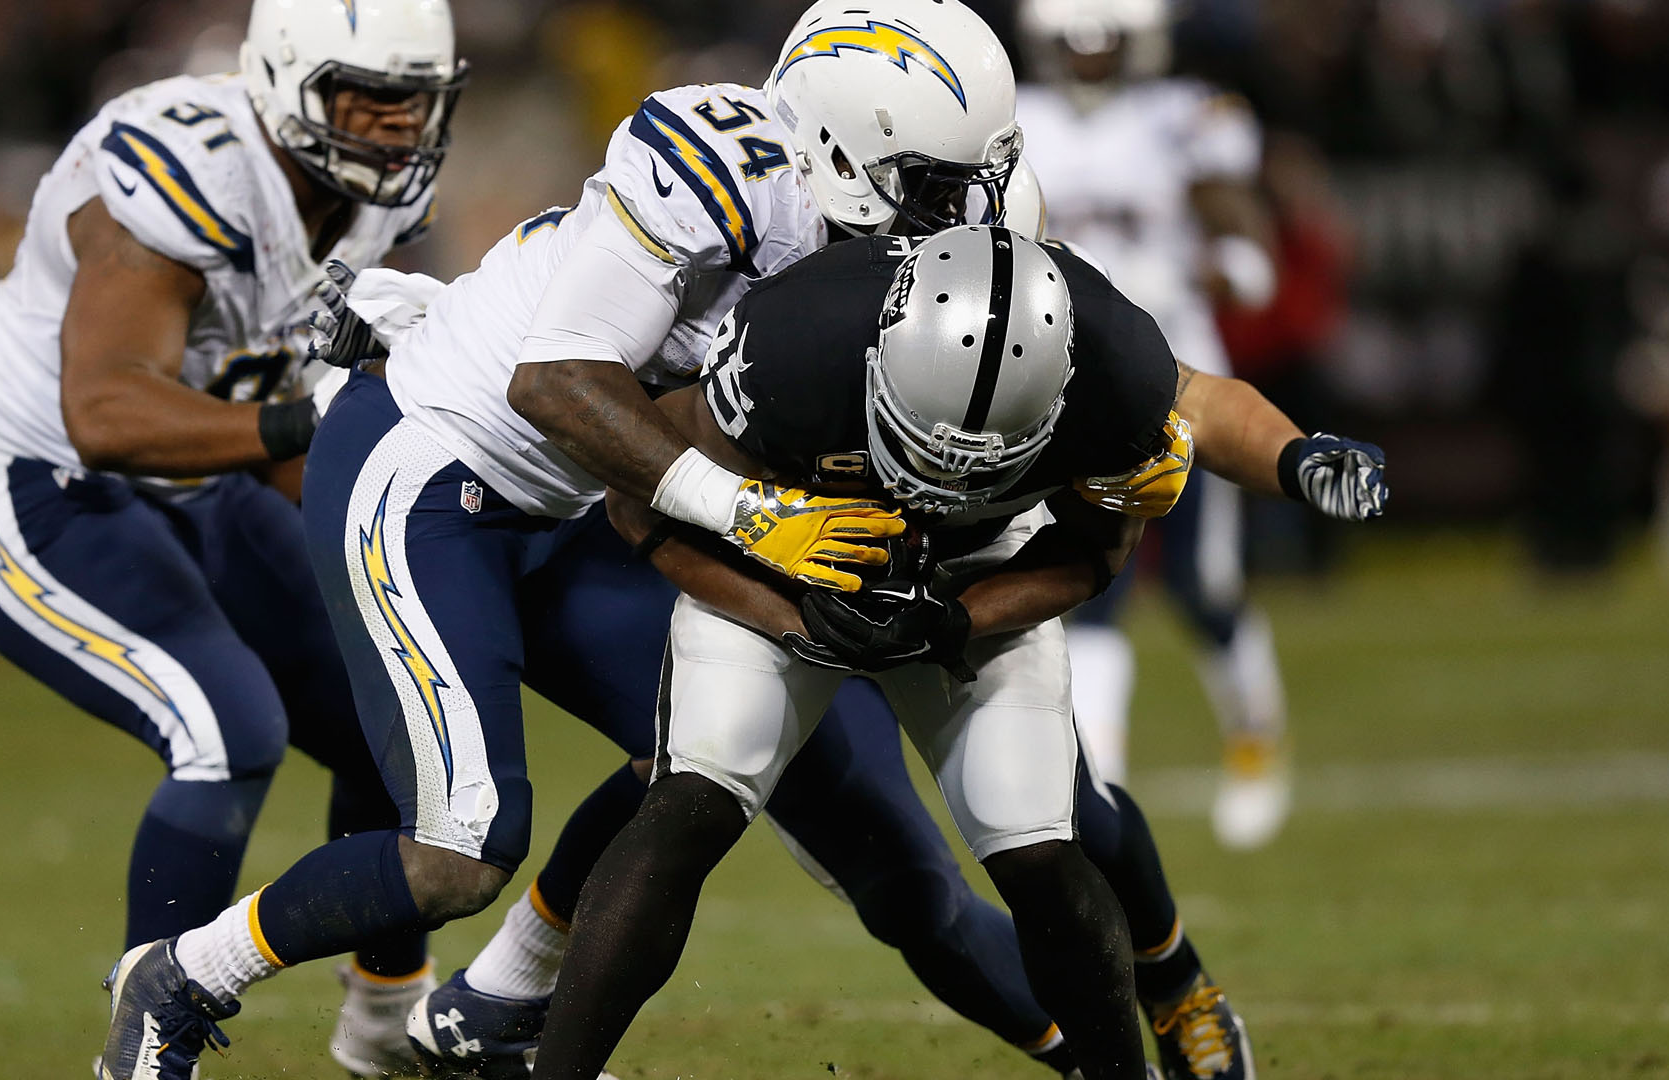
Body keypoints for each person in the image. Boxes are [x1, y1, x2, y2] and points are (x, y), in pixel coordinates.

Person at [98, 3, 1188, 1078]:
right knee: (462, 850)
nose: (966, 206)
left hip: (596, 499)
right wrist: (757, 518)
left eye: (982, 171)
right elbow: (556, 383)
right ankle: (186, 975)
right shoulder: (715, 166)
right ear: (836, 150)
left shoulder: (925, 218)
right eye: (935, 181)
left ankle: (499, 1006)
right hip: (439, 471)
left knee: (698, 764)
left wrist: (1146, 437)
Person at [529, 222, 1388, 1080]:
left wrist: (958, 621)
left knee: (1041, 847)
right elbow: (638, 505)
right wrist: (787, 615)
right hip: (785, 562)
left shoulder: (1113, 368)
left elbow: (1097, 553)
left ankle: (1156, 1017)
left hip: (983, 570)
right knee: (690, 807)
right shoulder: (800, 341)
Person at [0, 0, 469, 1074]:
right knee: (227, 726)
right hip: (30, 479)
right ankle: (149, 1048)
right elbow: (106, 413)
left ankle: (389, 1025)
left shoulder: (365, 197)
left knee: (402, 713)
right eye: (370, 99)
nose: (399, 128)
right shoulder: (190, 164)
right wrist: (323, 422)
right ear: (289, 83)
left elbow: (266, 406)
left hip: (201, 478)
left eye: (418, 102)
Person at [1014, 0, 1307, 849]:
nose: (1089, 58)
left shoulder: (1185, 116)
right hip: (1062, 383)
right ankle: (1102, 781)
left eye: (1104, 43)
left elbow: (1245, 240)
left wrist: (1214, 269)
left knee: (1204, 587)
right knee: (1086, 590)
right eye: (1074, 43)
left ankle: (1256, 741)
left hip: (1181, 380)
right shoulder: (1017, 118)